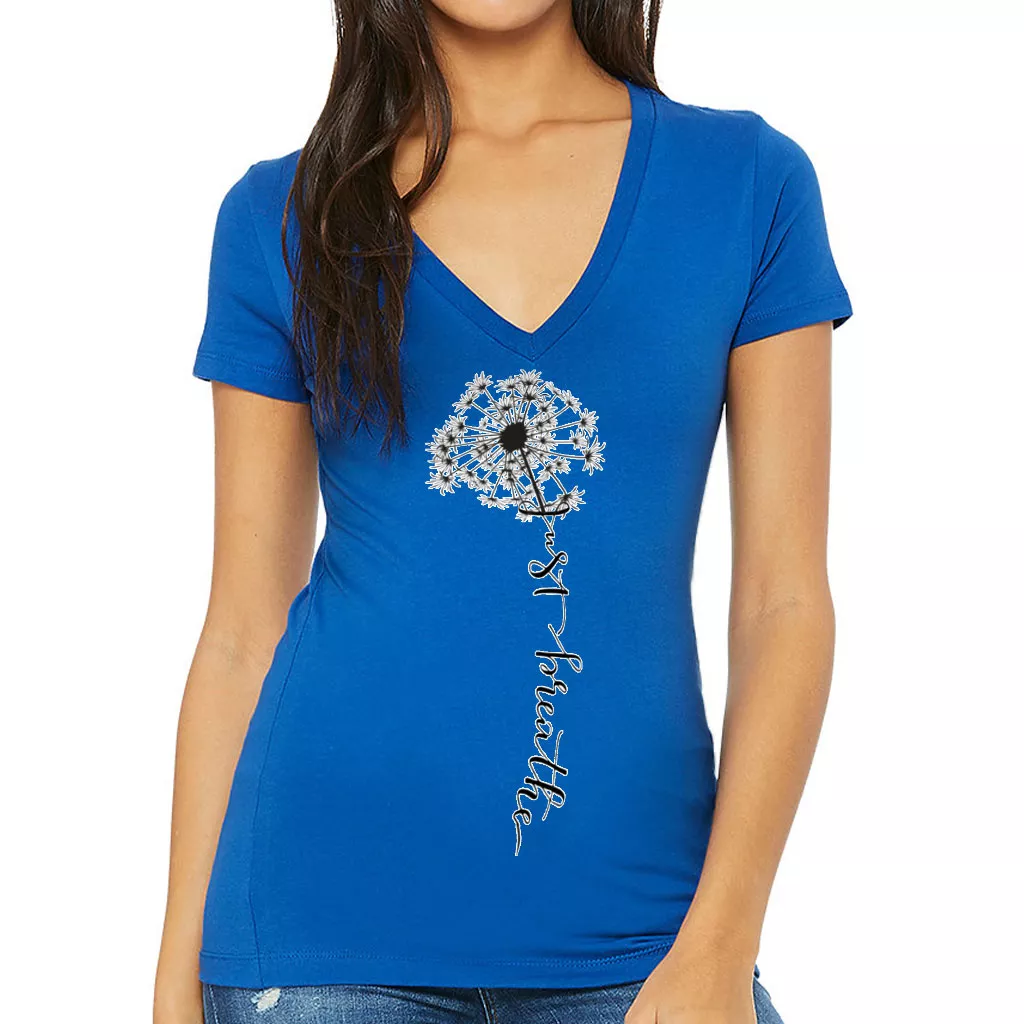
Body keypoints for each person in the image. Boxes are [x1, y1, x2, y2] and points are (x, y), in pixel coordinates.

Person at [154, 0, 852, 1020]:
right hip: (317, 934)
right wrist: (174, 980)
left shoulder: (745, 184)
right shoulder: (284, 214)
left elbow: (781, 602)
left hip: (645, 931)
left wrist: (722, 939)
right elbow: (240, 632)